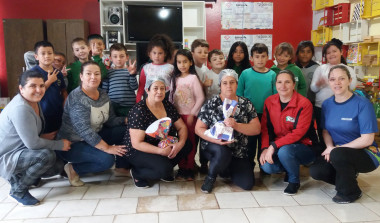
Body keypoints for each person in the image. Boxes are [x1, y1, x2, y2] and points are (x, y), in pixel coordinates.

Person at [310, 65, 379, 204]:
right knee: (316, 171)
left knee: (338, 154)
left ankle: (350, 193)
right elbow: (325, 131)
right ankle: (349, 180)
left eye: (342, 78)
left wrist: (337, 149)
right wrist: (329, 147)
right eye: (333, 79)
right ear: (328, 82)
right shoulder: (327, 104)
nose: (337, 83)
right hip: (340, 152)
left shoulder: (362, 104)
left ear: (350, 80)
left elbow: (367, 139)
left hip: (367, 153)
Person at [0, 70, 71, 206]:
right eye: (33, 86)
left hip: (20, 149)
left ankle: (21, 177)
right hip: (5, 156)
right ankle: (18, 190)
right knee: (46, 156)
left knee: (57, 166)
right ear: (21, 88)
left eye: (41, 85)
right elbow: (33, 144)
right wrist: (59, 144)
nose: (38, 90)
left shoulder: (34, 101)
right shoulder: (21, 108)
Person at [57, 61, 129, 186]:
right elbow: (85, 131)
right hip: (73, 143)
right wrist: (107, 148)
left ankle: (121, 167)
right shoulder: (77, 98)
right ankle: (73, 169)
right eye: (88, 73)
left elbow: (110, 120)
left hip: (96, 134)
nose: (93, 77)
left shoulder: (103, 94)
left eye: (97, 74)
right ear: (81, 76)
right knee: (107, 160)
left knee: (126, 130)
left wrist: (126, 120)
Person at [195, 69, 261, 193]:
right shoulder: (212, 103)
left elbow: (256, 129)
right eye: (225, 83)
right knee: (222, 152)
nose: (229, 86)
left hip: (238, 151)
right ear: (220, 85)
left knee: (247, 184)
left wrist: (236, 125)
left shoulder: (246, 104)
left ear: (237, 84)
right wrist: (215, 140)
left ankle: (225, 168)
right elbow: (198, 128)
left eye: (232, 82)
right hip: (215, 147)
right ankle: (211, 177)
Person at [122, 75, 192, 188]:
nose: (159, 92)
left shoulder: (167, 105)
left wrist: (179, 144)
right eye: (155, 88)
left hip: (160, 143)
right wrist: (160, 151)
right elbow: (137, 143)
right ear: (147, 90)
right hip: (138, 149)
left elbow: (181, 127)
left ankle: (161, 166)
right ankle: (138, 173)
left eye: (162, 88)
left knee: (187, 144)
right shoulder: (139, 110)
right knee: (164, 170)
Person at [260, 70, 316, 195]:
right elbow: (265, 128)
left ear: (293, 84)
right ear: (275, 85)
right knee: (267, 166)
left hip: (304, 146)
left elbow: (299, 133)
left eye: (287, 82)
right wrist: (264, 148)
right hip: (280, 146)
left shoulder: (304, 103)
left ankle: (294, 181)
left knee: (286, 151)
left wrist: (273, 146)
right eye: (279, 82)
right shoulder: (269, 102)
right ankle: (290, 167)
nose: (283, 86)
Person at [310, 38, 357, 146]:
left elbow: (353, 86)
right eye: (328, 53)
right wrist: (319, 83)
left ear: (341, 52)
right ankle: (324, 152)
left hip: (341, 106)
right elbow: (313, 88)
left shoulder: (348, 69)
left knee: (338, 130)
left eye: (334, 51)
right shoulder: (321, 69)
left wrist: (339, 83)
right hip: (321, 106)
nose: (331, 54)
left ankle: (338, 151)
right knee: (323, 131)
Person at [237, 43, 277, 170]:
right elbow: (239, 94)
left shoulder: (272, 75)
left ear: (268, 57)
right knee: (250, 143)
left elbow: (276, 96)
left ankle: (263, 166)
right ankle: (249, 166)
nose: (260, 59)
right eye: (257, 56)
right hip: (249, 115)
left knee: (264, 141)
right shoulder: (245, 73)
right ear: (252, 58)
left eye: (263, 56)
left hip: (267, 114)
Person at [170, 49, 205, 180]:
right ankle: (181, 168)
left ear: (190, 62)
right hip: (177, 117)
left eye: (185, 61)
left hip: (190, 117)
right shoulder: (174, 78)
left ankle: (189, 168)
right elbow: (171, 99)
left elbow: (200, 98)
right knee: (179, 142)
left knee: (190, 142)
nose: (182, 65)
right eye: (179, 62)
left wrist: (192, 114)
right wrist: (171, 114)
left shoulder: (193, 78)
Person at [30, 41, 68, 139]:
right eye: (43, 53)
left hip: (58, 111)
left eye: (50, 53)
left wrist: (65, 99)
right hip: (42, 113)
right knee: (45, 138)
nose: (47, 56)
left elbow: (63, 90)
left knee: (58, 136)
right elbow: (34, 94)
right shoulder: (32, 73)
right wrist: (49, 81)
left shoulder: (58, 73)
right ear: (36, 57)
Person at [136, 34, 175, 103]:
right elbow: (141, 89)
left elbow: (174, 88)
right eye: (154, 53)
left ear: (165, 54)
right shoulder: (145, 68)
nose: (157, 56)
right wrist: (138, 103)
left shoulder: (171, 68)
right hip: (149, 103)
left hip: (165, 102)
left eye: (160, 53)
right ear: (149, 53)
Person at [102, 43, 138, 116]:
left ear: (127, 57)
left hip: (129, 106)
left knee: (129, 123)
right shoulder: (108, 72)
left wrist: (132, 75)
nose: (118, 59)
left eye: (122, 56)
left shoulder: (129, 71)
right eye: (115, 56)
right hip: (113, 106)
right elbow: (104, 90)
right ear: (110, 58)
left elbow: (134, 87)